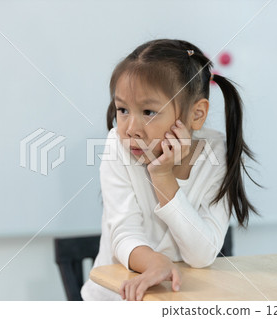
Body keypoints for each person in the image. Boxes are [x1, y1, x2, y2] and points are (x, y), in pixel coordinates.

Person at [81, 39, 259, 301]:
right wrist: (155, 263)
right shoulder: (117, 146)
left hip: (178, 299)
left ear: (196, 115)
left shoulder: (216, 152)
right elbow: (123, 235)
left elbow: (202, 254)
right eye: (123, 110)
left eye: (149, 111)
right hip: (116, 300)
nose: (131, 128)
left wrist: (163, 177)